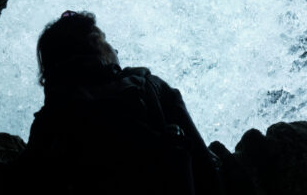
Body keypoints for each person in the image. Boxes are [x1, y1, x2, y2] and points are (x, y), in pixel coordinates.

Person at [17, 10, 223, 195]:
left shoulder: (50, 119)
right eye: (107, 42)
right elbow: (205, 167)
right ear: (96, 46)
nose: (116, 51)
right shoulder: (148, 87)